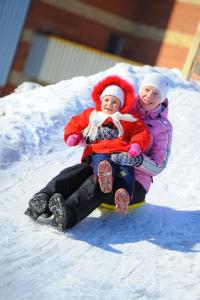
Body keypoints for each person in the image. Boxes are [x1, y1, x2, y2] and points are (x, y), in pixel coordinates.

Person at [25, 72, 173, 231]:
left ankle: (68, 214)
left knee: (103, 179)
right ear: (140, 89)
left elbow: (159, 166)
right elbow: (93, 127)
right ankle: (43, 199)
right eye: (147, 89)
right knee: (79, 170)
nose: (149, 95)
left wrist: (137, 160)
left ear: (162, 98)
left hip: (133, 184)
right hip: (106, 161)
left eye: (156, 93)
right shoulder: (123, 107)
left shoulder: (163, 127)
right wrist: (87, 138)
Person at [63, 75, 150, 213]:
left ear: (121, 105)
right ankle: (105, 177)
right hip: (100, 151)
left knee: (126, 172)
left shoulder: (127, 119)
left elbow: (141, 132)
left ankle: (123, 194)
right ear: (101, 100)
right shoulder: (93, 115)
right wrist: (73, 135)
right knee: (102, 161)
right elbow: (76, 123)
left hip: (121, 154)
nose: (109, 104)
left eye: (114, 102)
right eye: (107, 100)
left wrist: (136, 145)